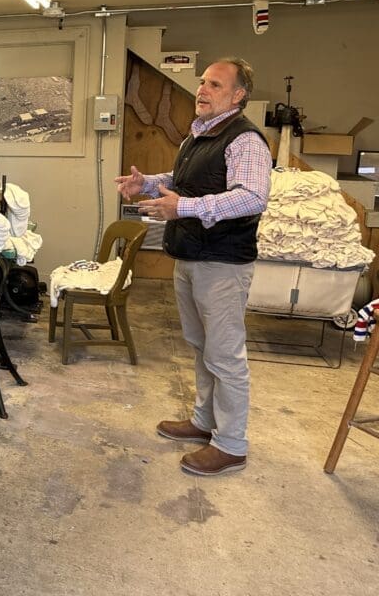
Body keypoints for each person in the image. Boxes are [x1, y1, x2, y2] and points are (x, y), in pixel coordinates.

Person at [115, 57, 272, 476]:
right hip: (192, 256)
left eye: (215, 85)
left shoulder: (245, 139)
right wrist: (148, 183)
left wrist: (183, 207)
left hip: (222, 263)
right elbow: (185, 179)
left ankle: (231, 444)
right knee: (202, 348)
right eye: (203, 82)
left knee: (225, 356)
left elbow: (252, 197)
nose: (202, 90)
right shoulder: (200, 135)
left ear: (238, 96)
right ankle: (205, 421)